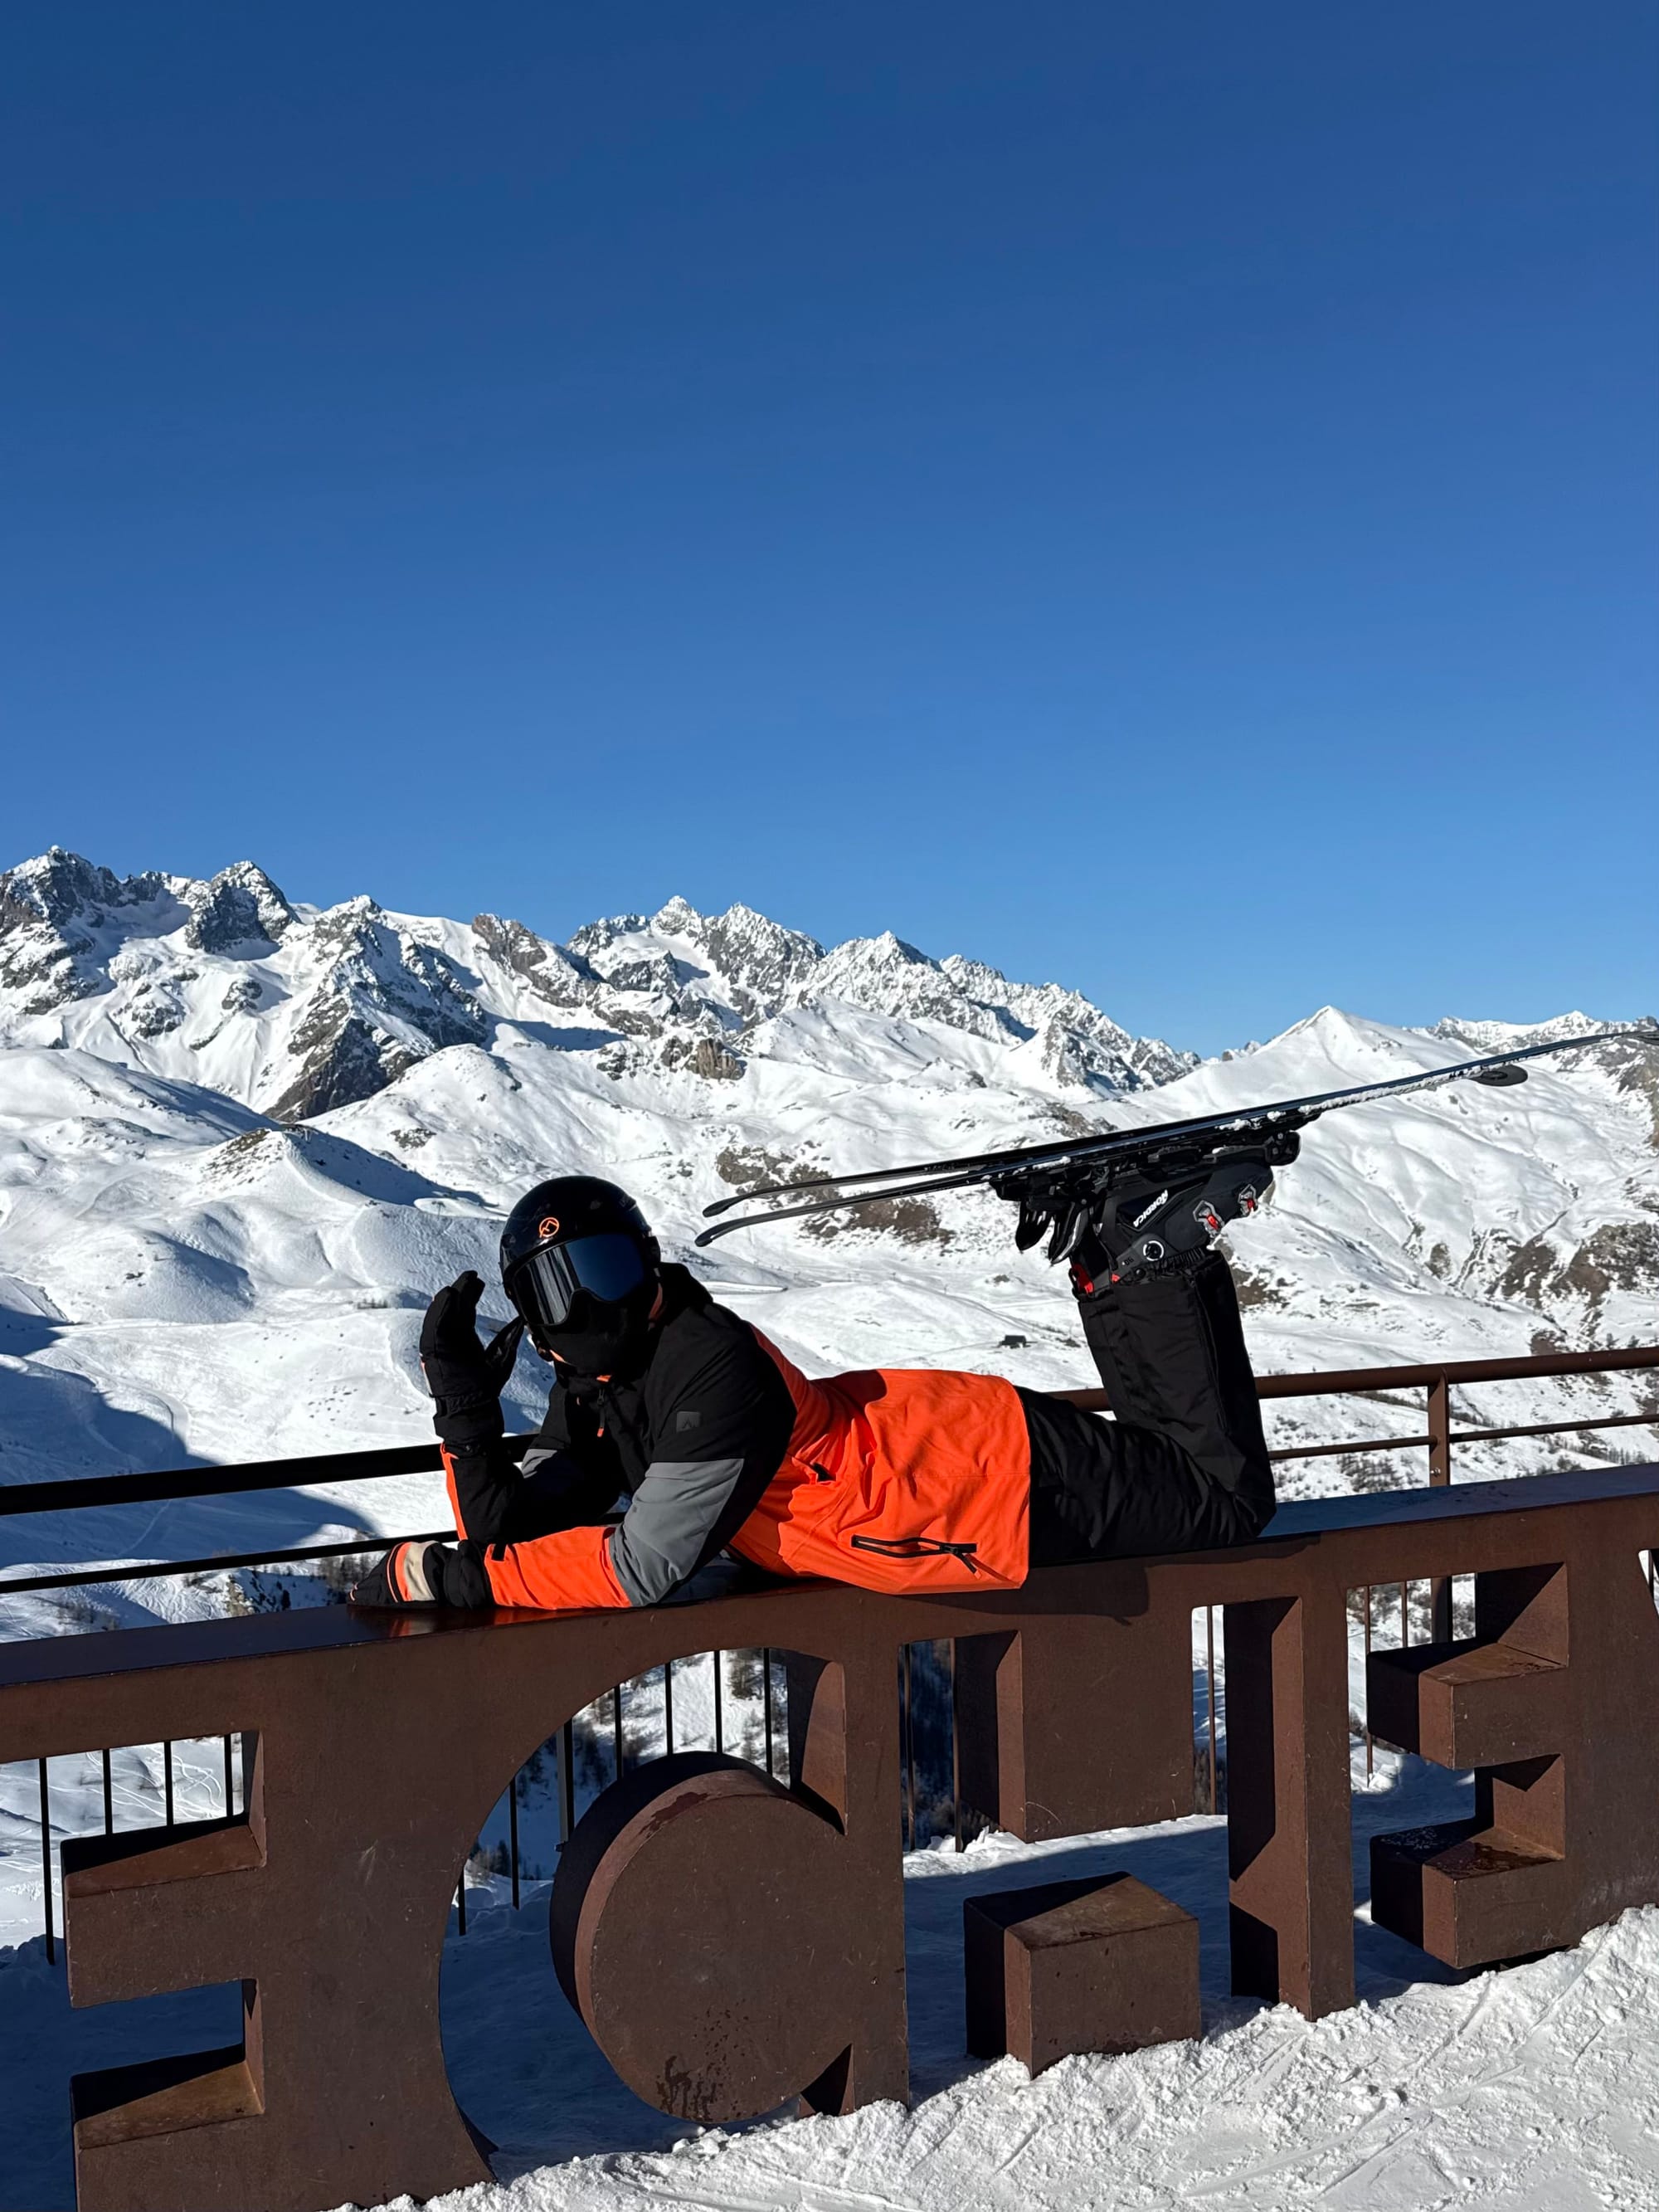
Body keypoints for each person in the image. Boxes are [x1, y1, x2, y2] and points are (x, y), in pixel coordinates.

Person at [350, 1162, 1277, 1612]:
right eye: (562, 1288)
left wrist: (454, 1579)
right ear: (534, 1314)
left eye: (607, 1269)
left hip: (987, 1478)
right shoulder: (602, 1385)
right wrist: (465, 1413)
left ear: (648, 1262)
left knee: (1225, 1502)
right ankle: (1119, 1254)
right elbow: (510, 1529)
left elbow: (640, 1566)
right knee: (1183, 1467)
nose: (593, 1301)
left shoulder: (711, 1369)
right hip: (947, 1466)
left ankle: (1150, 1256)